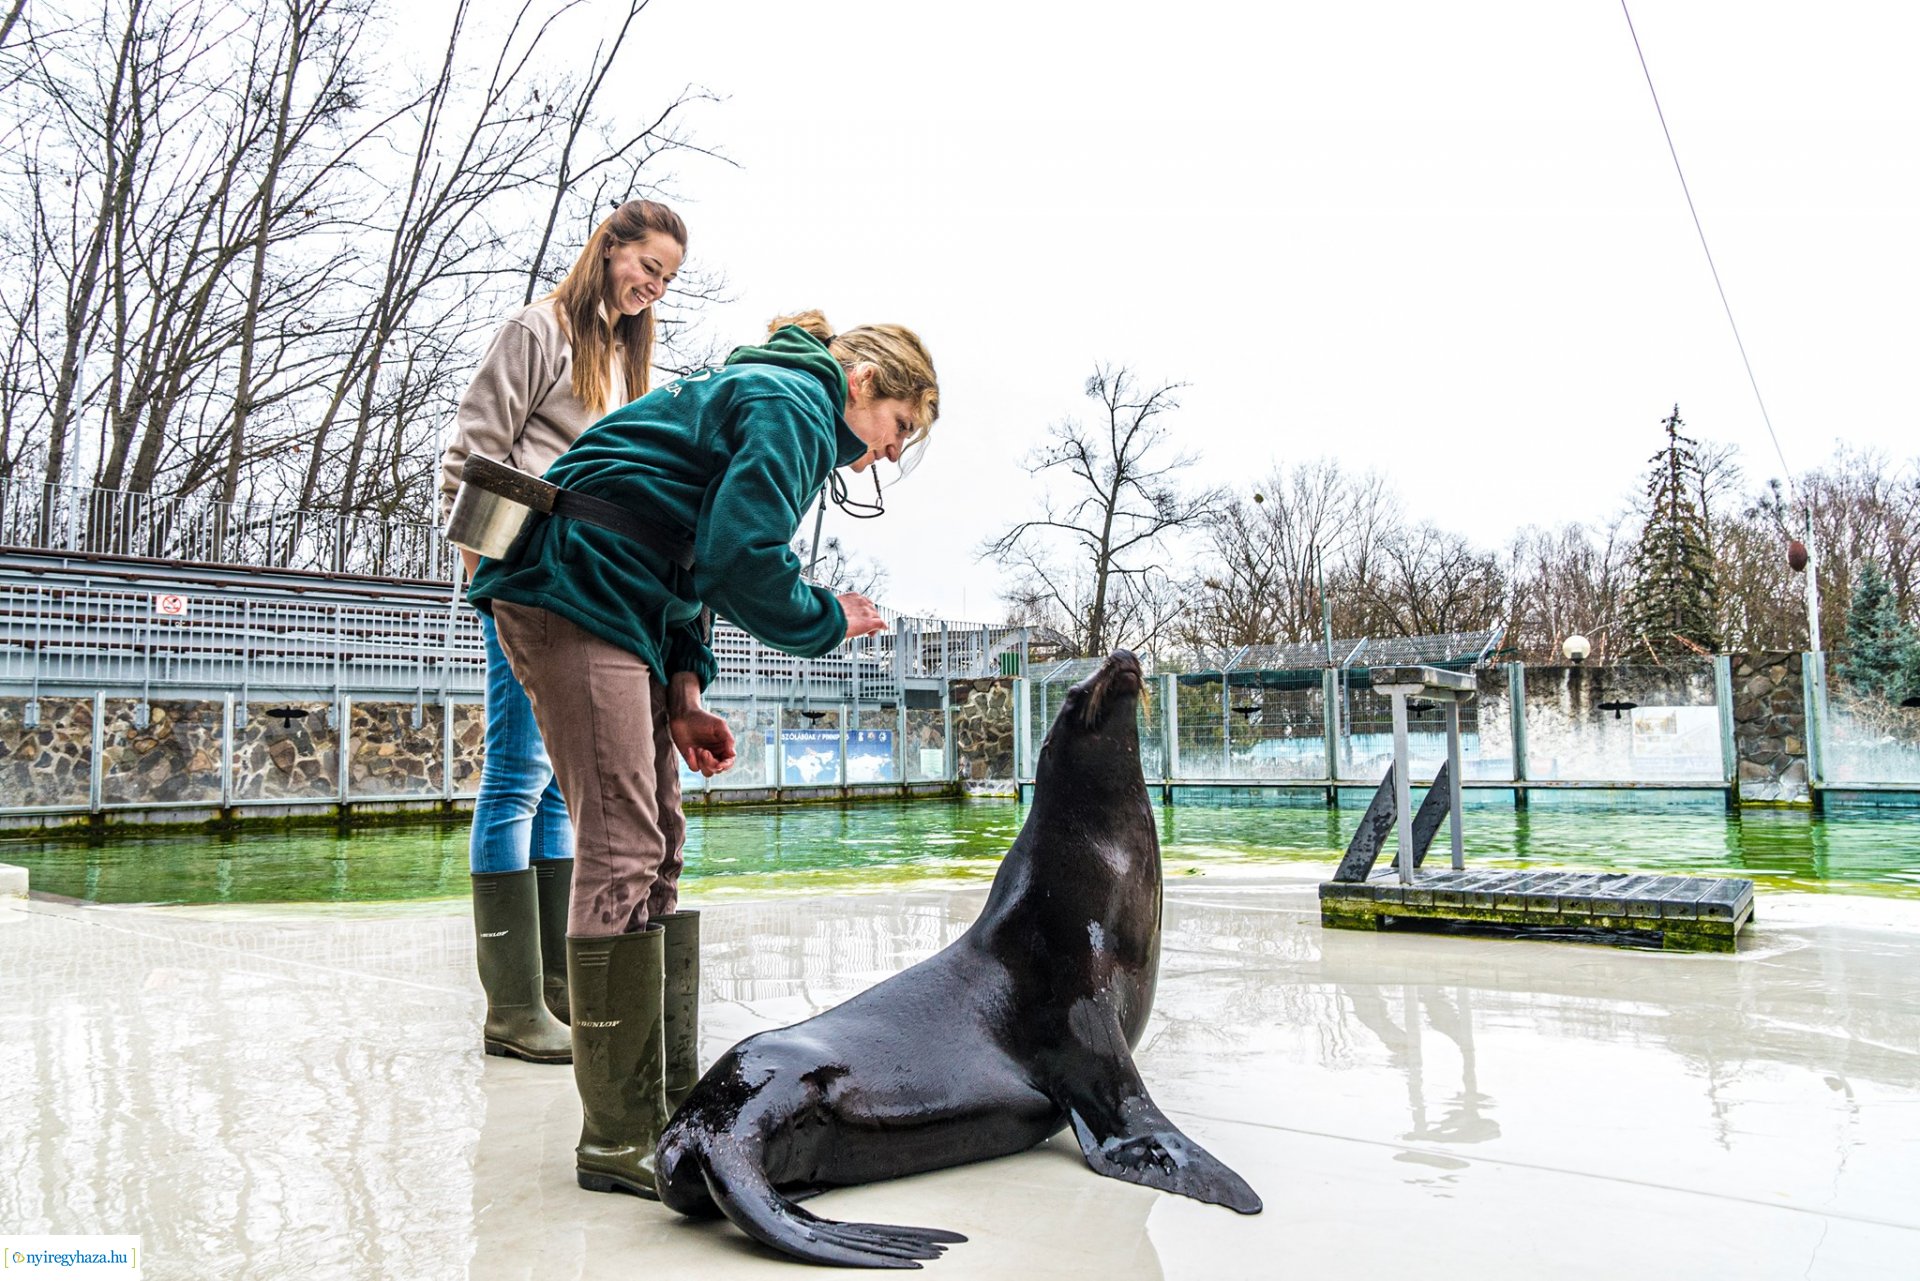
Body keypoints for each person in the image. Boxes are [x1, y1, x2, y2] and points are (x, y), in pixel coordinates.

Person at [465, 309, 938, 1198]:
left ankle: (662, 1093)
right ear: (867, 384)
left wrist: (685, 695)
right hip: (573, 584)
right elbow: (739, 560)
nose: (886, 455)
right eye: (898, 430)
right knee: (622, 839)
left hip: (625, 594)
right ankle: (618, 1134)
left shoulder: (774, 398)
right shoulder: (797, 402)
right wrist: (828, 617)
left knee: (662, 842)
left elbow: (685, 558)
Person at [438, 199, 688, 1065]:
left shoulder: (624, 362)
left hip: (588, 589)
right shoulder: (537, 329)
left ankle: (551, 984)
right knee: (513, 775)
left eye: (665, 279)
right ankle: (510, 1007)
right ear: (608, 248)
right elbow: (476, 448)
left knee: (552, 788)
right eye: (646, 265)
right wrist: (482, 569)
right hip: (529, 577)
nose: (651, 287)